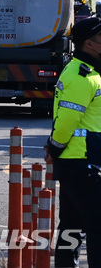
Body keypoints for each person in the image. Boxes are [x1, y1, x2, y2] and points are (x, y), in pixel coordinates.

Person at [44, 16, 101, 267]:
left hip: (79, 162)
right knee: (95, 224)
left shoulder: (88, 72)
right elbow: (67, 120)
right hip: (82, 162)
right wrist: (54, 148)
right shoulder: (82, 75)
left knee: (72, 225)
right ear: (89, 43)